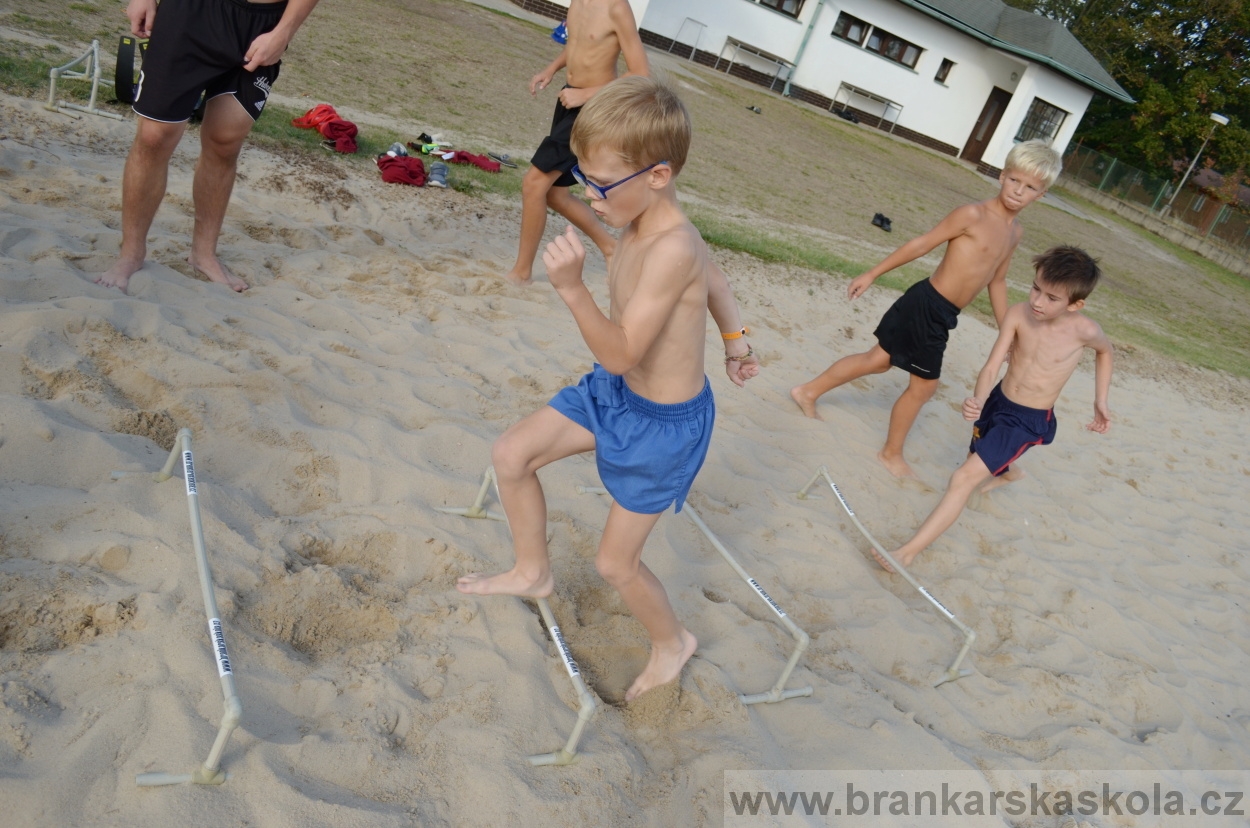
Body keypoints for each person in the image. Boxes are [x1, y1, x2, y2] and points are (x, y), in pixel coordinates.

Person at [458, 77, 759, 701]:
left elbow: (621, 351)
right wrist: (736, 340)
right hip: (613, 396)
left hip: (662, 426)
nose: (589, 196)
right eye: (583, 179)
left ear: (658, 175)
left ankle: (673, 642)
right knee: (512, 455)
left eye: (599, 184)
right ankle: (531, 570)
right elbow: (718, 282)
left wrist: (572, 289)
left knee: (615, 565)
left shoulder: (674, 245)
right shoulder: (642, 216)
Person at [789, 140, 1062, 478]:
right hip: (927, 305)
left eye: (1030, 187)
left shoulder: (1014, 232)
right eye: (1014, 180)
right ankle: (890, 454)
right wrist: (873, 273)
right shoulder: (972, 214)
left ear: (1041, 194)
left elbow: (998, 281)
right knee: (924, 387)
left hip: (943, 313)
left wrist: (1009, 331)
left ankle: (807, 391)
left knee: (877, 360)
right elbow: (921, 244)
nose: (1018, 191)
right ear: (1002, 175)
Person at [876, 246, 1113, 572]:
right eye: (1035, 289)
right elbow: (991, 366)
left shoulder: (1085, 331)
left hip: (1027, 421)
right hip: (998, 402)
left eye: (1051, 298)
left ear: (1075, 304)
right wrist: (979, 399)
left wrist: (1100, 400)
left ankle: (906, 553)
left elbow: (1106, 352)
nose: (1037, 302)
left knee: (963, 477)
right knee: (975, 455)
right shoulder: (1017, 314)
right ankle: (1010, 473)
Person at [94, 0, 321, 293]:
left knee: (225, 142)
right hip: (191, 12)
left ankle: (203, 254)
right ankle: (131, 253)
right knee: (154, 137)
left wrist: (284, 32)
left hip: (259, 24)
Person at [501, 0, 649, 286]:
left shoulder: (617, 7)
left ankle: (521, 273)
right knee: (556, 194)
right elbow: (578, 44)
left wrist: (587, 95)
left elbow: (641, 73)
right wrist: (551, 68)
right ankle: (611, 248)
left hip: (593, 108)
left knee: (534, 183)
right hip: (569, 99)